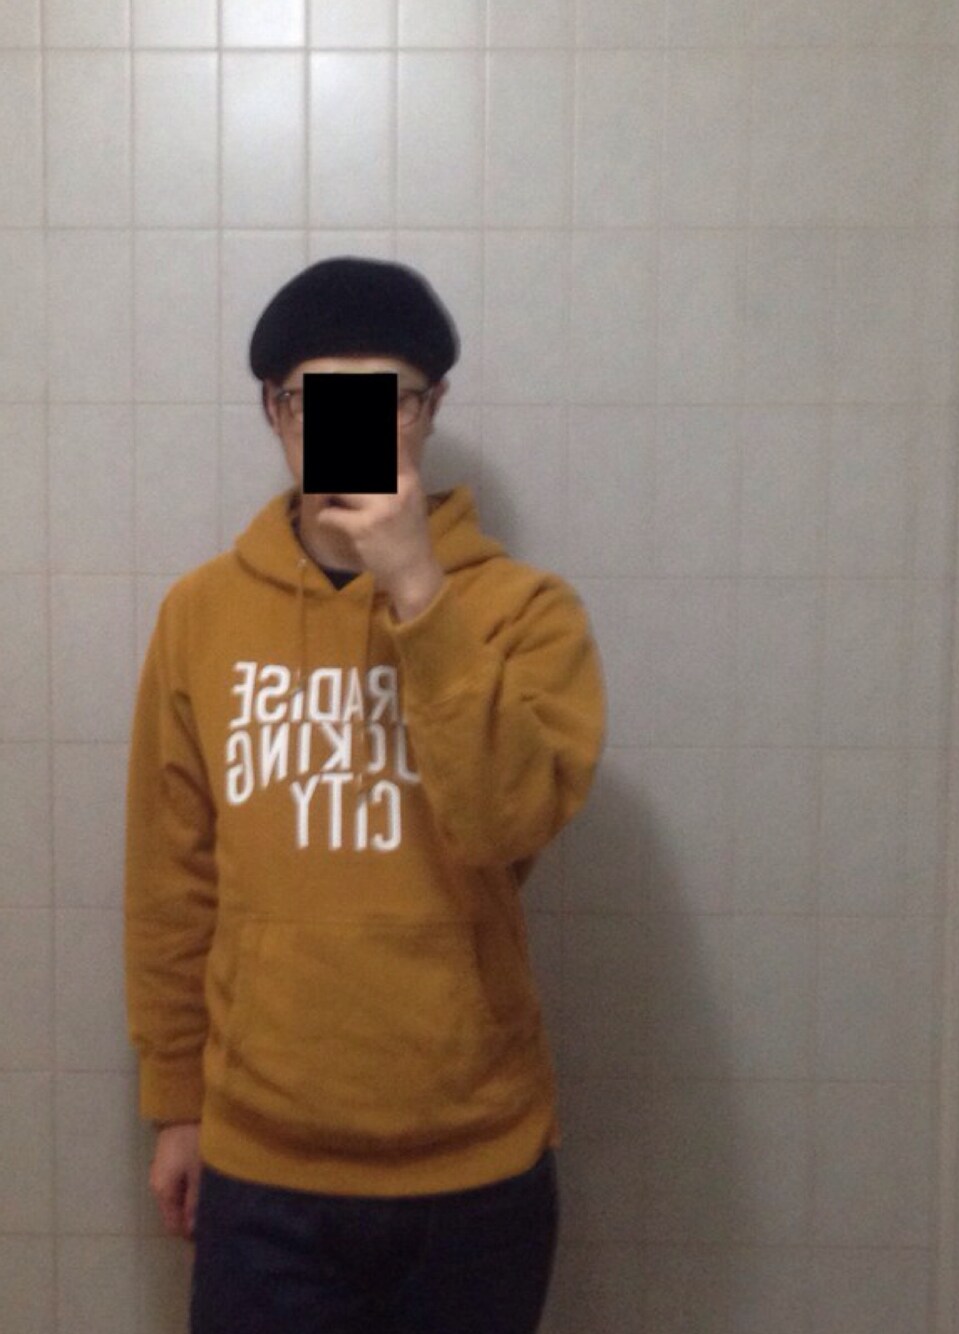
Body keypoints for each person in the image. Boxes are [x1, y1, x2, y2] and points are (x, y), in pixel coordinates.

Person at [124, 256, 606, 1334]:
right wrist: (176, 1106)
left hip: (475, 1162)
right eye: (317, 401)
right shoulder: (200, 615)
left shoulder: (527, 612)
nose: (351, 428)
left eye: (386, 401)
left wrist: (417, 588)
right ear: (273, 412)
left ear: (430, 410)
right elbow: (170, 881)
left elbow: (506, 822)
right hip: (262, 1161)